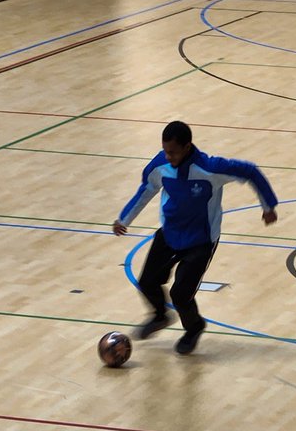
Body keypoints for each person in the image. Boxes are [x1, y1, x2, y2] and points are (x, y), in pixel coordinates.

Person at [113, 121, 278, 355]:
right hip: (170, 233)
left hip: (201, 240)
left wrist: (268, 206)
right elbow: (146, 189)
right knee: (147, 281)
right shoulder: (160, 165)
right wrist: (124, 219)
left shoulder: (211, 168)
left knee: (181, 294)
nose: (168, 156)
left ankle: (194, 328)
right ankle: (160, 316)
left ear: (187, 146)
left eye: (173, 152)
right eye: (165, 150)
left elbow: (250, 171)